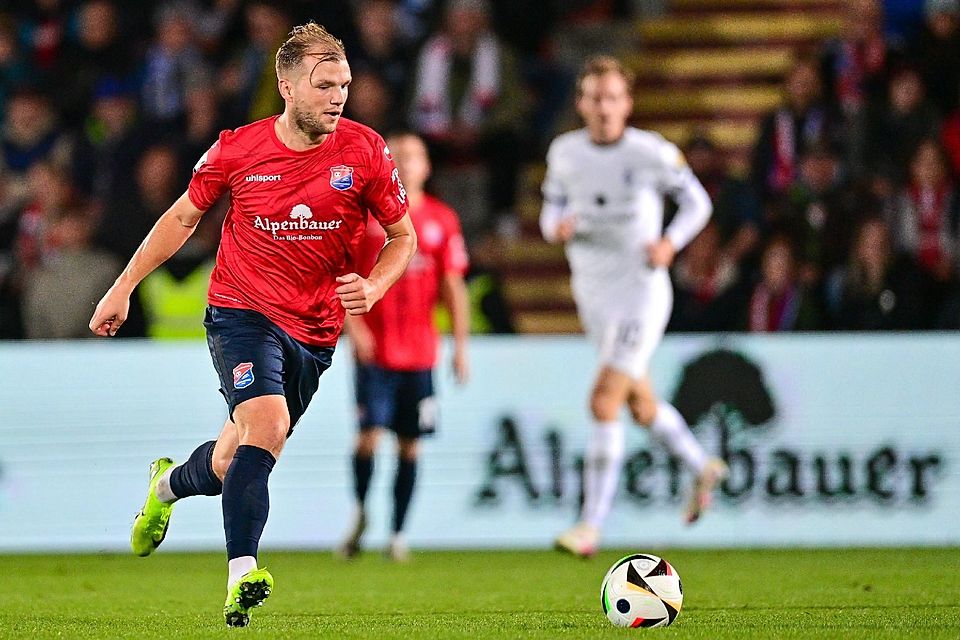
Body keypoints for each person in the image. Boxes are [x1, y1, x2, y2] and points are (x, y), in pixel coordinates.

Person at [88, 23, 416, 627]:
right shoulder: (237, 149)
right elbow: (183, 218)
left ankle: (166, 486)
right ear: (286, 86)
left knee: (230, 460)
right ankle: (243, 573)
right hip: (241, 312)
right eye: (324, 85)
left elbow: (402, 238)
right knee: (268, 424)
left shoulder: (366, 150)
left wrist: (373, 284)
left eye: (344, 84)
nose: (338, 96)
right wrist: (123, 286)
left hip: (315, 332)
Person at [539, 55, 727, 558]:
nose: (603, 107)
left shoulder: (651, 152)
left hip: (641, 292)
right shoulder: (565, 153)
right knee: (640, 405)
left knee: (603, 401)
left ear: (627, 103)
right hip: (594, 294)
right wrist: (553, 226)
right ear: (581, 103)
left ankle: (590, 526)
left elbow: (698, 203)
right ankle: (700, 465)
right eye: (594, 97)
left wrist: (670, 242)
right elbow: (550, 208)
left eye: (613, 98)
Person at [338, 131, 470, 562]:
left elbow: (453, 286)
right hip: (375, 350)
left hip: (420, 353)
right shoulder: (365, 217)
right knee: (368, 438)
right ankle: (360, 513)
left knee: (410, 444)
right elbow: (343, 275)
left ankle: (397, 533)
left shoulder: (441, 220)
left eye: (416, 156)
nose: (408, 163)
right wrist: (354, 330)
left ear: (427, 166)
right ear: (386, 165)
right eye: (398, 156)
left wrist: (461, 347)